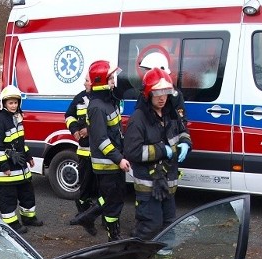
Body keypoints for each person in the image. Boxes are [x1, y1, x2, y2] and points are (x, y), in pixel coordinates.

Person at [124, 68, 192, 242]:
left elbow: (183, 131)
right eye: (158, 93)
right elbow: (132, 151)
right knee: (150, 226)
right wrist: (162, 150)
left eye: (166, 92)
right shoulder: (139, 118)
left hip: (168, 182)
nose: (162, 98)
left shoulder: (171, 113)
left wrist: (185, 143)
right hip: (148, 185)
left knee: (168, 225)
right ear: (148, 94)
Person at [71, 60, 130, 241]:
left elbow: (115, 132)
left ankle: (88, 217)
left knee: (113, 196)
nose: (113, 81)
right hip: (107, 164)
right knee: (113, 199)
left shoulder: (108, 101)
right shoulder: (97, 107)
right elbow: (101, 140)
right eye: (110, 78)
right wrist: (118, 158)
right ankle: (113, 236)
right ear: (102, 81)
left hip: (113, 160)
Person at [0, 85, 41, 234]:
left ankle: (29, 218)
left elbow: (20, 142)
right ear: (4, 103)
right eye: (10, 103)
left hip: (20, 167)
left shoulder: (17, 118)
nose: (13, 105)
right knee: (8, 198)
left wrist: (29, 156)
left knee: (27, 194)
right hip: (6, 171)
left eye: (15, 102)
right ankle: (11, 224)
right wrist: (4, 166)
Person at [64, 76, 100, 228]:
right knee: (84, 187)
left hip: (100, 153)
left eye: (88, 80)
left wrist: (89, 130)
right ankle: (83, 215)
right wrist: (74, 129)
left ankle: (105, 218)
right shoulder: (79, 98)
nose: (84, 82)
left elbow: (103, 121)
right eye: (85, 80)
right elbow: (69, 115)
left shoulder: (102, 99)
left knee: (101, 188)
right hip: (84, 152)